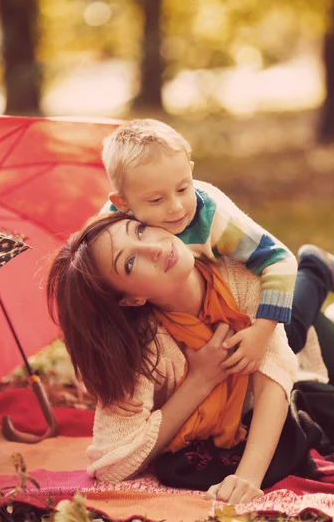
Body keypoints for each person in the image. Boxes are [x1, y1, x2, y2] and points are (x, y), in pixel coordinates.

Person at [46, 212, 334, 504]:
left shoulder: (243, 273)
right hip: (287, 373)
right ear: (131, 299)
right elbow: (112, 464)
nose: (154, 249)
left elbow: (274, 368)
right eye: (129, 262)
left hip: (302, 361)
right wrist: (200, 380)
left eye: (141, 230)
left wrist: (248, 476)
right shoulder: (145, 346)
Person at [100, 119, 300, 375]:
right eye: (157, 199)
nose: (176, 207)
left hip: (243, 297)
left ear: (191, 172)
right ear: (123, 202)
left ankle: (316, 273)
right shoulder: (111, 232)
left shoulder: (215, 218)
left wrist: (261, 333)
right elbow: (92, 288)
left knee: (296, 327)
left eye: (183, 188)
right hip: (189, 310)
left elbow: (279, 260)